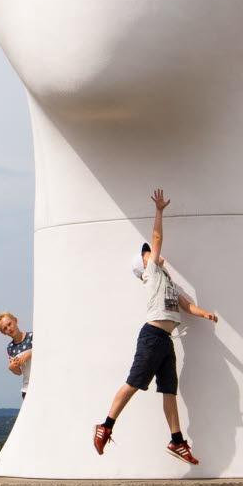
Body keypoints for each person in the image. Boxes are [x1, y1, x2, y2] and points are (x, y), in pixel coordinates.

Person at [94, 188, 221, 465]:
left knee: (169, 391)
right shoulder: (151, 273)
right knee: (134, 383)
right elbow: (157, 238)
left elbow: (187, 305)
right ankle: (106, 425)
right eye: (146, 254)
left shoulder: (168, 281)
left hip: (165, 341)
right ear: (144, 266)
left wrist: (205, 315)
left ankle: (177, 441)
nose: (151, 253)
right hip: (152, 336)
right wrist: (159, 211)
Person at [0, 311, 33, 398]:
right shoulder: (10, 348)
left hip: (43, 384)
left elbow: (45, 350)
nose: (9, 328)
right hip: (27, 389)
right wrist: (12, 368)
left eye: (9, 324)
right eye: (5, 328)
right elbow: (19, 372)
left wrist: (29, 353)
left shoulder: (32, 336)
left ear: (15, 320)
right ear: (4, 333)